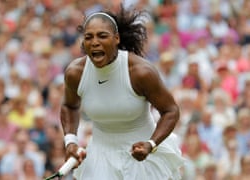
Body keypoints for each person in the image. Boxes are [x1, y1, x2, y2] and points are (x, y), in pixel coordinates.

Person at [60, 5, 184, 180]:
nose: (95, 42)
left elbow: (171, 110)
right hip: (99, 157)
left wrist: (151, 144)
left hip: (142, 157)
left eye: (102, 36)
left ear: (116, 38)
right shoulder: (75, 73)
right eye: (89, 37)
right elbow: (69, 106)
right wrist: (70, 141)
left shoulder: (141, 72)